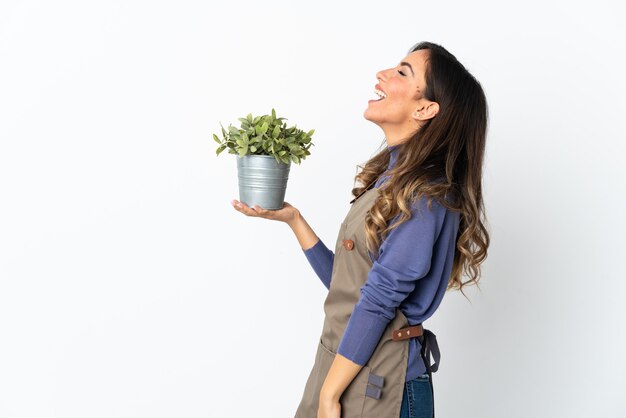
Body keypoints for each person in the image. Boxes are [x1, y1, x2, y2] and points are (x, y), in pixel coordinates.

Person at [231, 41, 489, 418]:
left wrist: (329, 394)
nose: (381, 75)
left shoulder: (426, 195)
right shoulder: (392, 177)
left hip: (381, 382)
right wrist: (294, 221)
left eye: (403, 72)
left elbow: (380, 300)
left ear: (425, 107)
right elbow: (352, 286)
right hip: (349, 366)